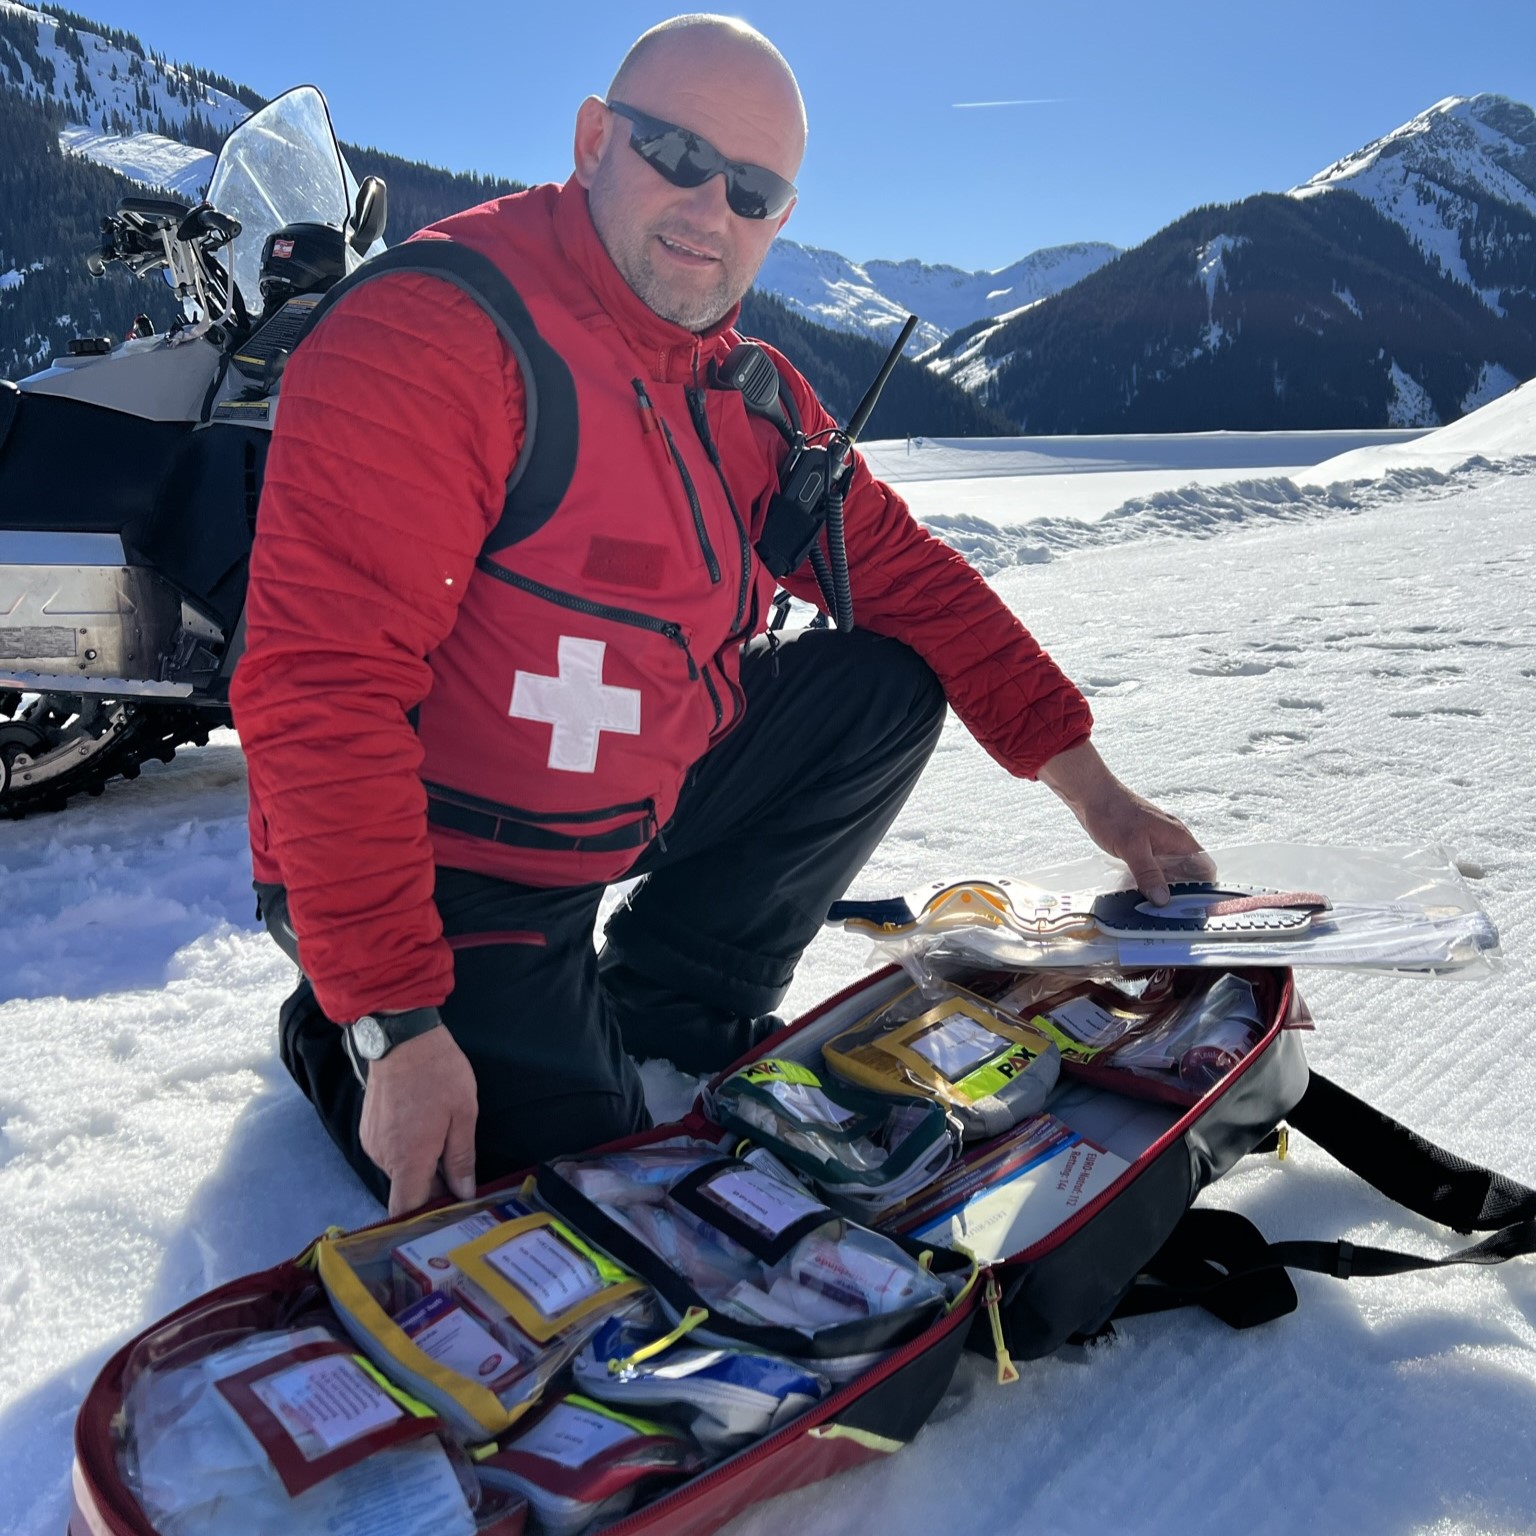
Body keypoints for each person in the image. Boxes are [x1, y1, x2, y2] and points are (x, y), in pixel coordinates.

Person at [231, 15, 1206, 1217]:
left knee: (881, 680)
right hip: (446, 865)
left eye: (752, 190)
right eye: (678, 157)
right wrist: (394, 1020)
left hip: (622, 794)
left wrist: (1101, 796)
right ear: (595, 139)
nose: (711, 210)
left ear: (781, 217)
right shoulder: (437, 334)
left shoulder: (742, 391)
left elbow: (917, 582)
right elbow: (319, 685)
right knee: (583, 1188)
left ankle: (675, 998)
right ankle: (336, 1022)